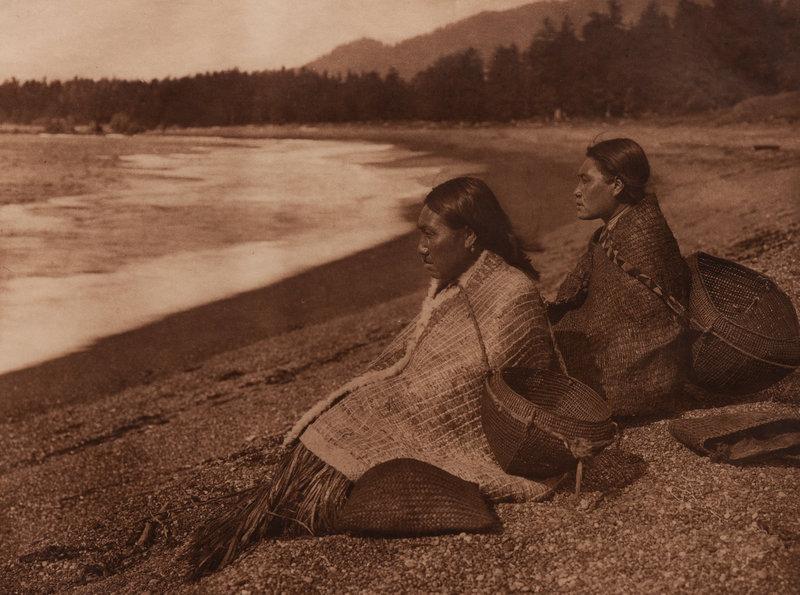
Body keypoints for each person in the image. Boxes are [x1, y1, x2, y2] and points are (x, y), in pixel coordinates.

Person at [189, 177, 559, 576]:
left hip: (472, 429)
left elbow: (503, 380)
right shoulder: (458, 286)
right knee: (355, 411)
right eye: (419, 234)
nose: (421, 247)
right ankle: (287, 502)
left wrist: (408, 398)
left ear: (469, 236)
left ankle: (305, 503)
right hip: (423, 406)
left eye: (430, 234)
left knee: (374, 419)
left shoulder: (512, 292)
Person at [548, 138, 689, 417]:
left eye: (586, 181)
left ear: (617, 185)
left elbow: (622, 329)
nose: (576, 191)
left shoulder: (637, 239)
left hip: (634, 385)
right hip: (649, 377)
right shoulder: (626, 227)